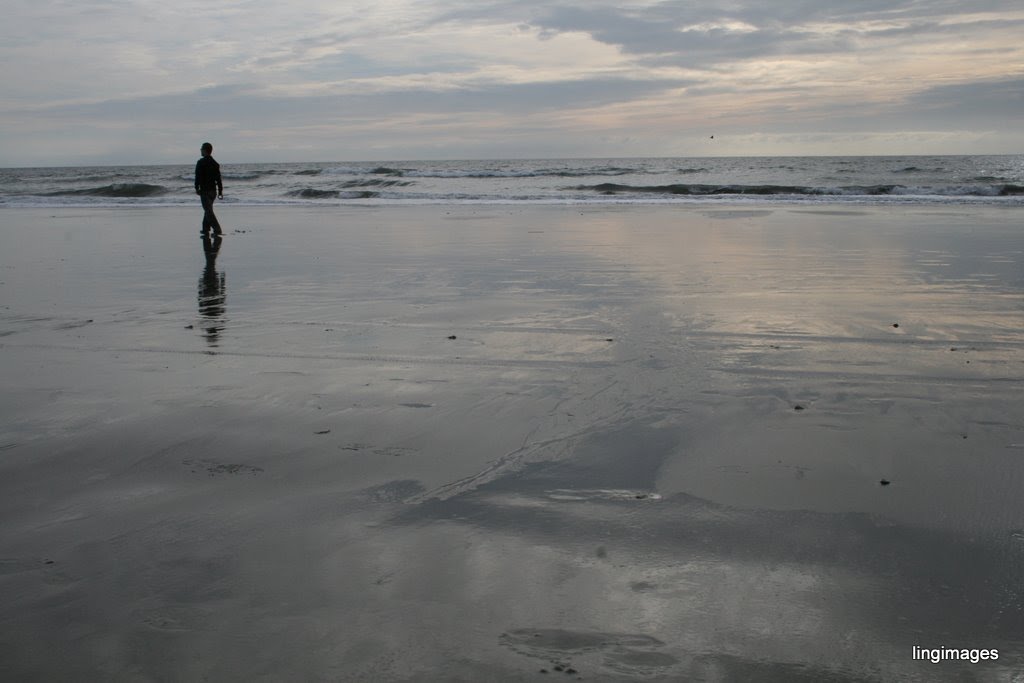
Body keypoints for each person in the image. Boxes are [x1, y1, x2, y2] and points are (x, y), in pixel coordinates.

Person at [195, 142, 224, 237]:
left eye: (201, 149)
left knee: (208, 211)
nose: (200, 150)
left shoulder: (200, 162)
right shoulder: (215, 164)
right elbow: (218, 179)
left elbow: (197, 177)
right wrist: (220, 191)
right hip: (213, 192)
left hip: (205, 191)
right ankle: (205, 229)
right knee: (208, 209)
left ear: (205, 150)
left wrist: (196, 188)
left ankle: (217, 229)